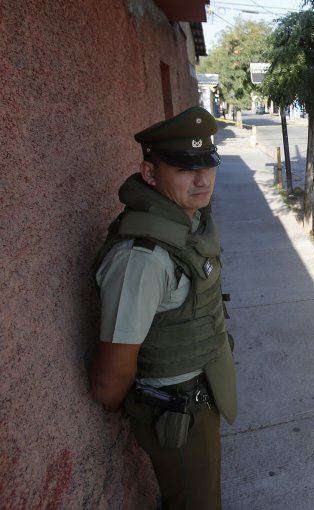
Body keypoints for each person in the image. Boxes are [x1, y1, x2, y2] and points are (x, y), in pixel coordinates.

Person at [90, 106, 237, 510]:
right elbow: (111, 375)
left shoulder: (187, 218)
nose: (203, 179)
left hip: (199, 391)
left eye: (209, 165)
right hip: (176, 410)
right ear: (150, 172)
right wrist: (127, 404)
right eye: (184, 168)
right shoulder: (142, 258)